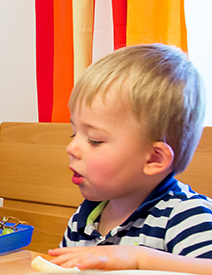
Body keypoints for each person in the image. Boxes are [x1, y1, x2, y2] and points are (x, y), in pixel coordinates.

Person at [47, 44, 212, 274]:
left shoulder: (185, 215)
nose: (71, 147)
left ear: (154, 159)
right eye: (75, 133)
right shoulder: (85, 219)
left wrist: (138, 258)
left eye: (94, 140)